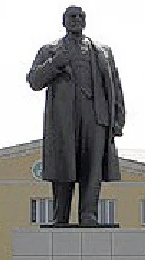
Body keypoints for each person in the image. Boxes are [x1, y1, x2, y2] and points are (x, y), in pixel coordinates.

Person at [26, 5, 125, 226]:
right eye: (72, 16)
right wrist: (56, 63)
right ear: (64, 21)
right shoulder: (50, 50)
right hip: (63, 119)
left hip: (95, 115)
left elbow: (115, 87)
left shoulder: (102, 51)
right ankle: (60, 215)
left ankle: (89, 214)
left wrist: (118, 120)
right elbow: (34, 81)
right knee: (64, 164)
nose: (76, 20)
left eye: (81, 16)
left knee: (92, 166)